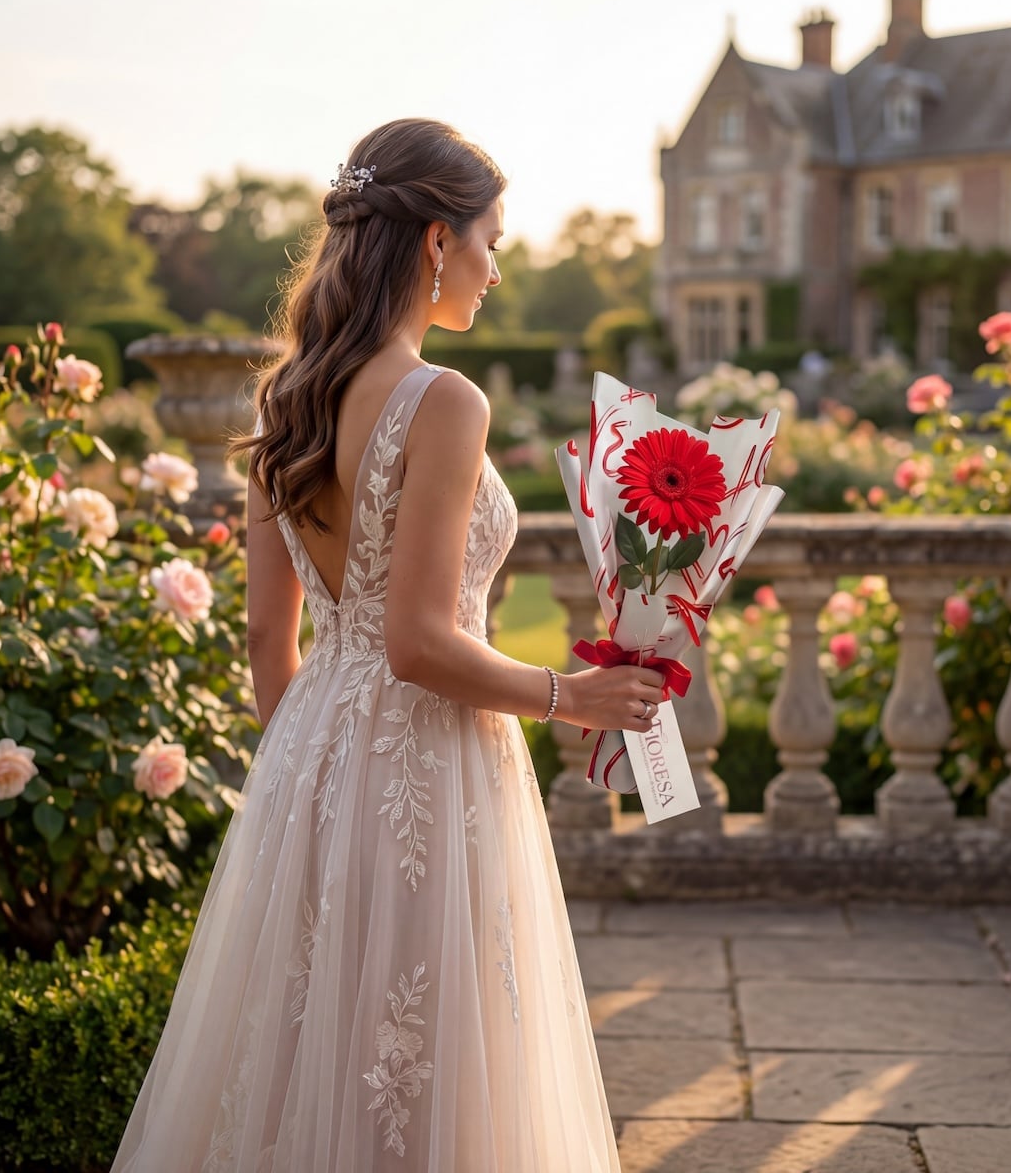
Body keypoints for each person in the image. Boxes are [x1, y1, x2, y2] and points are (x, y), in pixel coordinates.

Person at [111, 118, 664, 1172]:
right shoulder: (444, 401)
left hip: (315, 758)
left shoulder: (286, 403)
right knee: (430, 1062)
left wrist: (307, 780)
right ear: (435, 243)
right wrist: (570, 695)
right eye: (493, 240)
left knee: (304, 1059)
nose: (498, 270)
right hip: (430, 763)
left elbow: (269, 642)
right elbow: (418, 643)